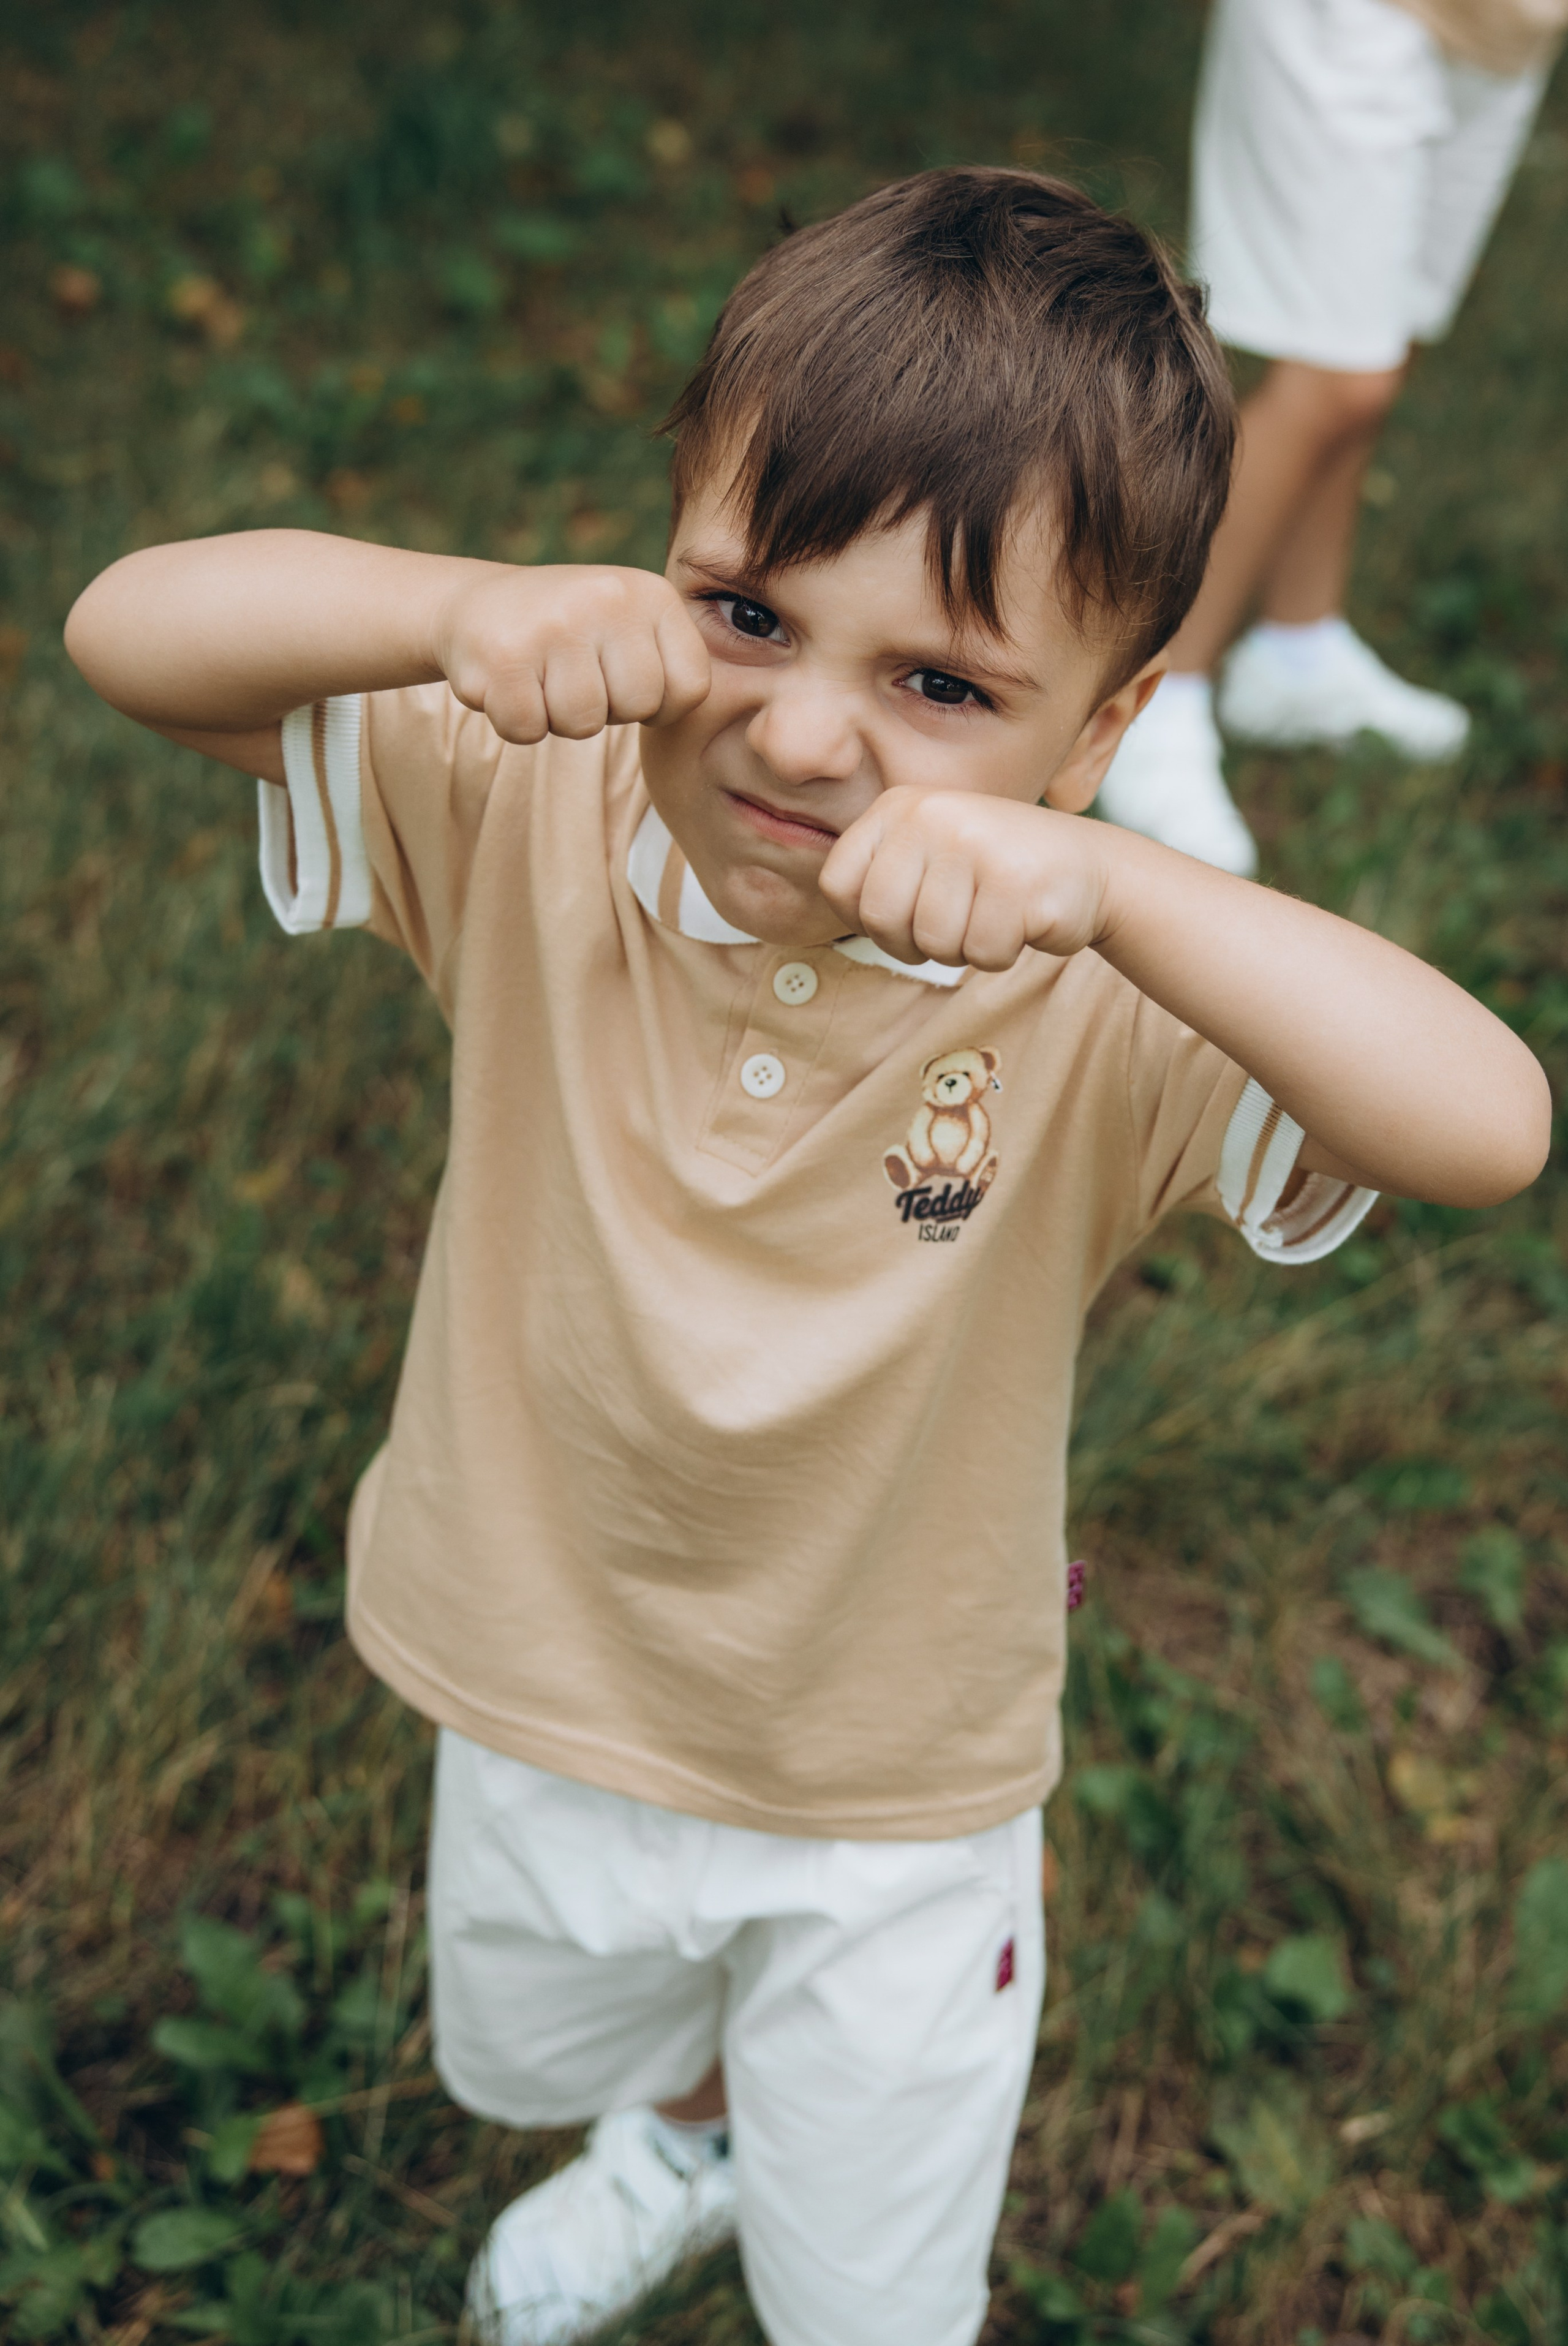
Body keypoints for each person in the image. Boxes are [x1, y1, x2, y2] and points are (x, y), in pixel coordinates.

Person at [64, 170, 1549, 2346]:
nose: (803, 733)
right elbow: (126, 635)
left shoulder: (1102, 992)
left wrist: (1121, 897)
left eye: (945, 682)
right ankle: (679, 2129)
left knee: (870, 2300)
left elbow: (1490, 1124)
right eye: (748, 614)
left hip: (891, 1790)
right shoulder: (536, 807)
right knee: (557, 2044)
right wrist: (458, 606)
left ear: (1101, 734)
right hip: (538, 1659)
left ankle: (781, 2168)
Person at [1100, 0, 1566, 875]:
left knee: (1382, 333)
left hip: (1507, 22)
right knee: (1338, 374)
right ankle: (1151, 690)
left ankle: (1297, 648)